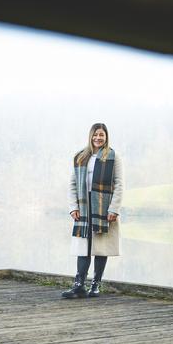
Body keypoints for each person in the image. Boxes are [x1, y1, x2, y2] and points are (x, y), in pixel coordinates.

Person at [62, 122, 123, 298]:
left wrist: (114, 208)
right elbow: (72, 184)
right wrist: (73, 207)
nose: (98, 138)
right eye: (95, 135)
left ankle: (95, 284)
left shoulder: (113, 157)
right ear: (90, 136)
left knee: (100, 246)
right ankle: (79, 284)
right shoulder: (80, 157)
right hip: (84, 206)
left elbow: (119, 184)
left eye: (101, 135)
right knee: (83, 246)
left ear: (106, 137)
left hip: (104, 206)